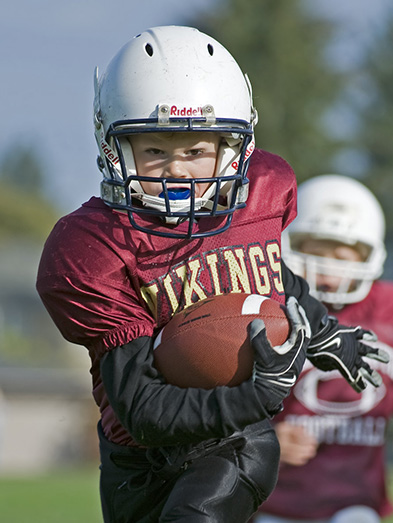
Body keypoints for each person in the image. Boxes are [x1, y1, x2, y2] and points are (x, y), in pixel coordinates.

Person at [36, 27, 388, 523]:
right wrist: (257, 393)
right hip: (136, 456)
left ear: (235, 145)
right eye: (155, 151)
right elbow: (141, 408)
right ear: (114, 145)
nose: (178, 171)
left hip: (232, 441)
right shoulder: (92, 246)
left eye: (196, 150)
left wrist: (325, 334)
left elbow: (273, 278)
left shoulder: (262, 193)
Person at [252, 174, 393, 523]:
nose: (328, 275)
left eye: (342, 257)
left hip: (357, 502)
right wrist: (260, 441)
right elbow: (216, 403)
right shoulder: (262, 309)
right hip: (272, 500)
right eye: (314, 255)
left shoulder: (386, 311)